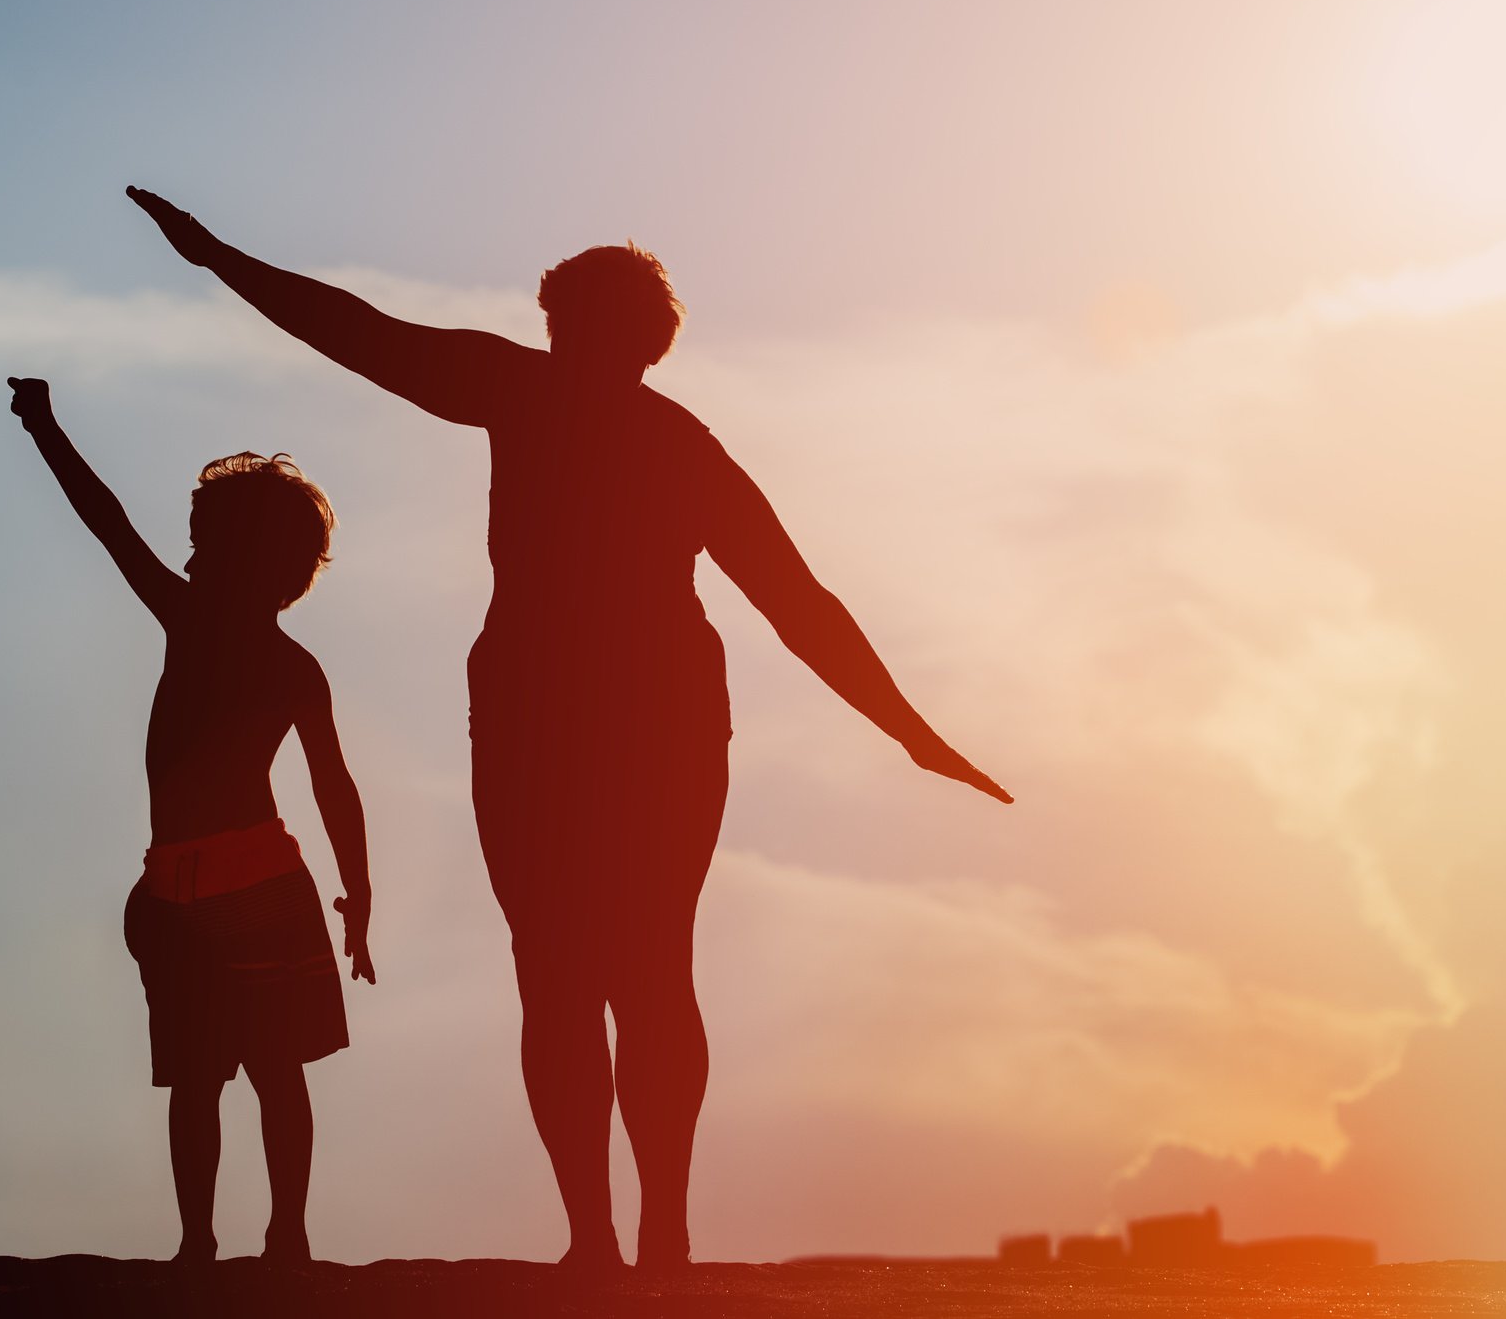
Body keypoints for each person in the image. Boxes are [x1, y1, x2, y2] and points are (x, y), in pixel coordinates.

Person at [126, 187, 1008, 1271]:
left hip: (641, 720)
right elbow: (360, 334)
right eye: (559, 322)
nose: (563, 339)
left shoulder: (640, 434)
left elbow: (797, 600)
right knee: (563, 970)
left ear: (637, 341)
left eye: (579, 323)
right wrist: (222, 259)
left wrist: (910, 730)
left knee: (631, 969)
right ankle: (601, 1236)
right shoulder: (530, 393)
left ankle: (655, 1232)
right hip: (540, 714)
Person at [5, 376, 375, 1263]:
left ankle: (211, 1244)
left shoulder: (200, 620)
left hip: (213, 889)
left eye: (205, 539)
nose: (192, 552)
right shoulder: (285, 660)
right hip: (219, 887)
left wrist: (46, 427)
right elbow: (337, 791)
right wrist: (356, 896)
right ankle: (267, 1239)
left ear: (232, 554)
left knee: (207, 1077)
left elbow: (106, 522)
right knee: (257, 1074)